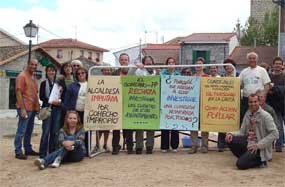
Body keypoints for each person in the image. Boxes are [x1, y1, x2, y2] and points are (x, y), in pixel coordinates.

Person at [225, 94, 278, 170]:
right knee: (229, 139)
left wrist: (258, 145)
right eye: (251, 102)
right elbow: (242, 132)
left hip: (259, 147)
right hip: (249, 142)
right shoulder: (247, 114)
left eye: (255, 102)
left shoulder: (265, 116)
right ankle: (246, 157)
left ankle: (260, 161)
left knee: (240, 165)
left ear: (259, 102)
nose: (253, 104)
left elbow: (275, 133)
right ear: (248, 103)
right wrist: (230, 134)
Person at [112, 53, 143, 155]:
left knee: (128, 126)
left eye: (126, 60)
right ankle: (115, 147)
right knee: (116, 127)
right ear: (119, 61)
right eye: (122, 60)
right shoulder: (114, 73)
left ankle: (130, 147)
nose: (124, 61)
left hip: (130, 102)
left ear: (128, 61)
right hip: (117, 102)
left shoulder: (133, 72)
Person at [14, 59, 40, 160]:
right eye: (32, 64)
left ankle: (28, 149)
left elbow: (34, 93)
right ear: (27, 64)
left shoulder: (33, 77)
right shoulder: (22, 76)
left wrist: (37, 106)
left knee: (29, 130)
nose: (33, 66)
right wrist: (22, 109)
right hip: (25, 108)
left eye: (35, 65)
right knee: (21, 130)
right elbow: (18, 93)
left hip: (32, 108)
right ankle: (18, 151)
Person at [239, 52, 271, 122]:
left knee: (258, 119)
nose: (252, 60)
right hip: (246, 99)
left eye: (254, 58)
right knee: (245, 118)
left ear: (257, 60)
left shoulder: (262, 70)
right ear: (247, 60)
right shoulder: (244, 72)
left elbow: (267, 85)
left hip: (258, 100)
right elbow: (239, 84)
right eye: (250, 58)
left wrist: (262, 96)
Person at [64, 67, 89, 155]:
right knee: (76, 131)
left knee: (86, 131)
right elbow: (67, 99)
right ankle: (75, 150)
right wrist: (68, 111)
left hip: (87, 112)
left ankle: (86, 149)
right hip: (75, 112)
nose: (81, 75)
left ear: (86, 73)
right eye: (78, 73)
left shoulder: (90, 84)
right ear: (76, 75)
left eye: (83, 72)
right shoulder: (73, 85)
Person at [135, 56, 156, 154]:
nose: (148, 62)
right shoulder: (139, 71)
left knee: (150, 125)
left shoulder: (155, 72)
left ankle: (149, 146)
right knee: (139, 124)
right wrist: (139, 67)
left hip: (152, 101)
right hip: (140, 101)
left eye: (150, 61)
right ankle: (139, 146)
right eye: (146, 61)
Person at [218, 59, 239, 152]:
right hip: (223, 103)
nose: (228, 67)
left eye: (230, 65)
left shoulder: (238, 76)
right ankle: (221, 144)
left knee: (232, 124)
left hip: (234, 103)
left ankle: (232, 144)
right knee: (221, 124)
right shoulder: (221, 77)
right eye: (226, 66)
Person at [189, 57, 209, 154]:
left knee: (205, 124)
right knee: (193, 125)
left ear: (203, 66)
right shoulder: (192, 77)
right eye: (197, 64)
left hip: (204, 103)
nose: (198, 65)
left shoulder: (207, 77)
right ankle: (194, 145)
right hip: (193, 104)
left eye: (200, 63)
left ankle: (204, 146)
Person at [160, 57, 180, 153]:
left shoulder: (178, 74)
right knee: (165, 125)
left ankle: (174, 146)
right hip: (164, 102)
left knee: (175, 125)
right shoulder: (162, 74)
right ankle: (164, 146)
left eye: (173, 62)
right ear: (166, 64)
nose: (171, 64)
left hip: (176, 103)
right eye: (169, 62)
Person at [39, 64, 57, 158]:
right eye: (49, 70)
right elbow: (41, 97)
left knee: (54, 132)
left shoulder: (57, 83)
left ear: (55, 72)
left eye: (53, 70)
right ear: (46, 72)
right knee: (46, 132)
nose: (51, 72)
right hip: (47, 109)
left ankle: (51, 152)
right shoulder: (43, 83)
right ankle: (42, 153)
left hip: (56, 110)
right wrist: (51, 100)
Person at [267, 57, 285, 152]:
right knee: (278, 126)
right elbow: (267, 89)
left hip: (283, 104)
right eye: (276, 63)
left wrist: (274, 89)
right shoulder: (269, 76)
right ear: (273, 65)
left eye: (279, 63)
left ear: (282, 65)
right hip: (274, 106)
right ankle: (278, 146)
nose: (277, 65)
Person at [93, 64, 112, 152]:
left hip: (111, 105)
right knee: (99, 127)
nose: (107, 72)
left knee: (107, 127)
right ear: (102, 71)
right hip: (99, 105)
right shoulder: (97, 80)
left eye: (109, 70)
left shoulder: (114, 80)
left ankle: (105, 144)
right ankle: (97, 145)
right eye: (105, 70)